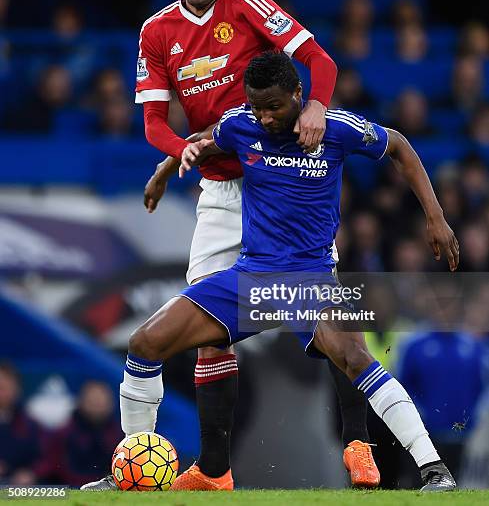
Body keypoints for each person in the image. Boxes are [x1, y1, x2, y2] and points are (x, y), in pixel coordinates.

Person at [80, 0, 380, 491]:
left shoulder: (247, 6)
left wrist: (317, 105)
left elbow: (319, 59)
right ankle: (206, 471)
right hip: (220, 192)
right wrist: (179, 151)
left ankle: (361, 447)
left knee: (338, 323)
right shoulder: (156, 31)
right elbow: (152, 123)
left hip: (288, 182)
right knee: (207, 329)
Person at [112, 52, 458, 491]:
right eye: (257, 105)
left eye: (273, 105)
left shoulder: (336, 129)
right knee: (145, 342)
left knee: (355, 357)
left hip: (311, 280)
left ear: (298, 94)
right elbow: (205, 141)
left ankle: (433, 468)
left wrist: (436, 217)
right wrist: (165, 170)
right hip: (249, 279)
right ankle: (129, 473)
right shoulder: (243, 125)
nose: (265, 116)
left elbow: (400, 148)